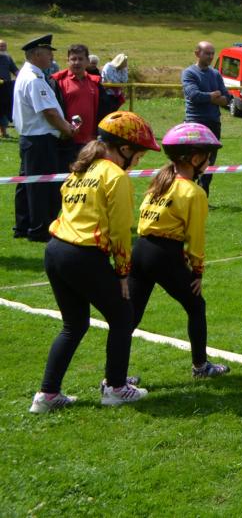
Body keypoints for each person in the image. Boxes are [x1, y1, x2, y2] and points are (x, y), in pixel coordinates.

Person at [31, 111, 161, 413]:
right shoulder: (116, 176)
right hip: (83, 254)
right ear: (125, 149)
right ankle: (115, 388)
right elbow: (120, 231)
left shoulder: (81, 170)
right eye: (139, 155)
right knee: (123, 316)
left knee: (74, 324)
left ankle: (47, 395)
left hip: (56, 250)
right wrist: (123, 273)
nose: (138, 162)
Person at [130, 123, 230, 380]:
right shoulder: (194, 192)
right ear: (195, 159)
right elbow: (195, 237)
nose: (209, 161)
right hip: (164, 254)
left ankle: (114, 379)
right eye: (208, 156)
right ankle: (201, 367)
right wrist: (197, 271)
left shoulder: (160, 182)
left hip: (140, 249)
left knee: (129, 316)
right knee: (196, 305)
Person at [13, 35, 77, 242]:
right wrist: (67, 129)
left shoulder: (29, 75)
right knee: (41, 186)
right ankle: (40, 230)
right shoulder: (34, 79)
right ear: (36, 54)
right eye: (48, 53)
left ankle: (23, 225)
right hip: (40, 139)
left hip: (31, 138)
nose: (51, 57)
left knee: (27, 184)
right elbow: (49, 112)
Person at [181, 41, 229, 195]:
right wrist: (213, 96)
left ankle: (202, 196)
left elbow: (227, 98)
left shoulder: (215, 74)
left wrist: (209, 98)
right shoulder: (189, 73)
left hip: (213, 123)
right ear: (197, 53)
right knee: (191, 159)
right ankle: (187, 194)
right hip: (195, 122)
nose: (210, 56)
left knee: (210, 161)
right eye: (207, 53)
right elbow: (194, 96)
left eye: (212, 53)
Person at [51, 43, 105, 166]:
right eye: (73, 59)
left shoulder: (95, 82)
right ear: (67, 61)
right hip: (66, 140)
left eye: (80, 59)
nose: (77, 62)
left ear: (87, 61)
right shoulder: (58, 82)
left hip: (90, 141)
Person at [0, 39, 17, 139]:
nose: (2, 48)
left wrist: (21, 77)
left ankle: (4, 132)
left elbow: (15, 70)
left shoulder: (8, 58)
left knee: (5, 109)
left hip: (5, 88)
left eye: (4, 46)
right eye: (0, 46)